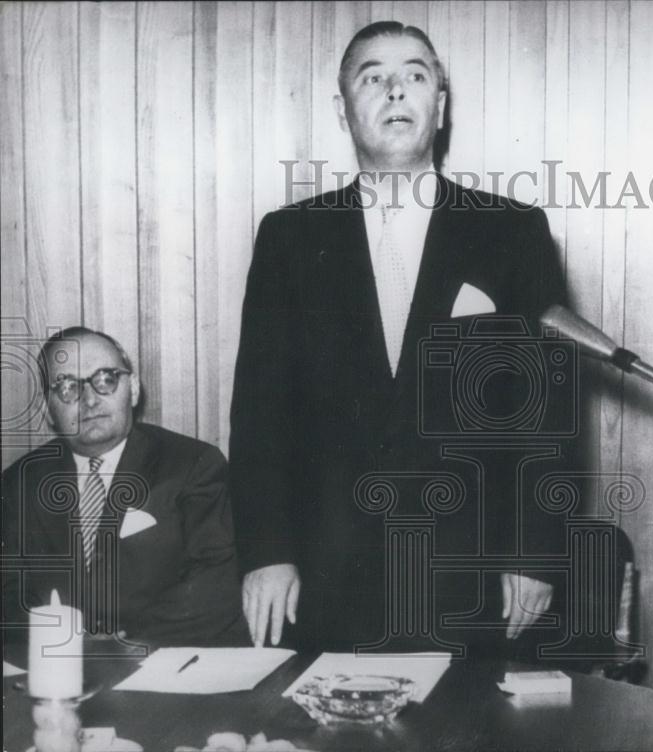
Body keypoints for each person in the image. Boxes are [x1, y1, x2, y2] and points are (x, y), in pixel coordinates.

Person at [229, 21, 572, 655]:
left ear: (439, 107)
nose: (395, 91)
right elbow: (259, 413)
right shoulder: (289, 239)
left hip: (469, 569)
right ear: (343, 108)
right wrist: (267, 551)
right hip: (325, 569)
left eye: (416, 76)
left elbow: (544, 412)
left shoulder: (512, 232)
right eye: (373, 76)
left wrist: (534, 553)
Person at [1, 327, 247, 648]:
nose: (89, 400)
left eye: (106, 379)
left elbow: (215, 584)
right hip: (57, 665)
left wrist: (122, 645)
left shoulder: (193, 465)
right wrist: (70, 642)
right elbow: (7, 593)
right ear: (48, 409)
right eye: (67, 387)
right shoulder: (20, 482)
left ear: (132, 390)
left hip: (164, 663)